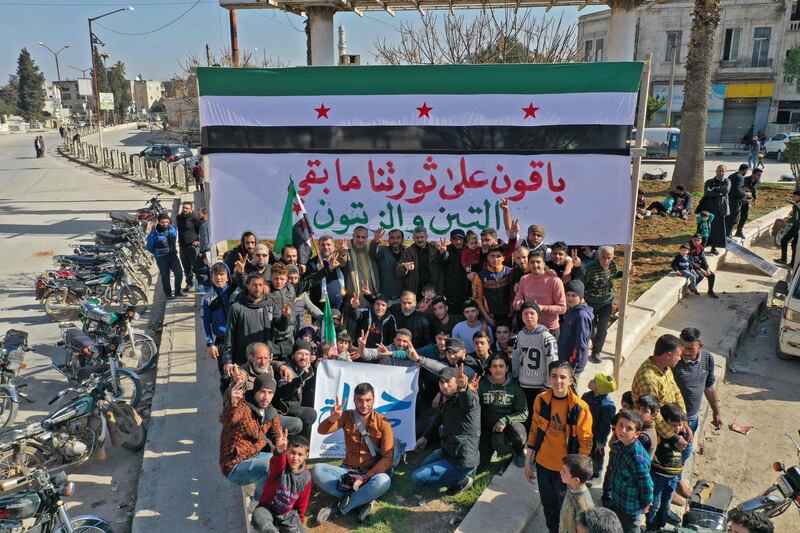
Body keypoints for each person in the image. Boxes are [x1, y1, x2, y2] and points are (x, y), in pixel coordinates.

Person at [524, 360, 593, 533]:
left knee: (567, 511)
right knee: (549, 507)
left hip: (565, 472)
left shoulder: (580, 408)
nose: (558, 381)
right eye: (554, 376)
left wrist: (576, 473)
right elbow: (534, 431)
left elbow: (585, 445)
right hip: (543, 465)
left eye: (563, 377)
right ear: (549, 378)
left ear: (571, 380)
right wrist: (527, 462)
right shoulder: (541, 400)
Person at [312, 383, 393, 523]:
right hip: (347, 471)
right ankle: (363, 500)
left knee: (384, 481)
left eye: (368, 400)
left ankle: (342, 505)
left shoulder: (383, 423)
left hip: (370, 474)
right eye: (360, 400)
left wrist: (365, 477)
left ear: (373, 399)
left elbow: (387, 458)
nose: (364, 404)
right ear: (354, 400)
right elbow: (322, 430)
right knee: (317, 470)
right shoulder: (346, 415)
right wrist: (332, 418)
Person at [412, 365, 481, 495]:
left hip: (463, 459)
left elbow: (469, 402)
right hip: (448, 451)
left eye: (448, 381)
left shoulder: (469, 396)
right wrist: (425, 438)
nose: (444, 386)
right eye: (441, 382)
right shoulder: (448, 399)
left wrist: (463, 388)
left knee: (416, 478)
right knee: (421, 467)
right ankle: (461, 474)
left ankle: (463, 479)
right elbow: (438, 419)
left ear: (457, 381)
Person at [219, 374, 283, 502]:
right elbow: (227, 419)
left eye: (270, 393)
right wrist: (233, 403)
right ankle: (257, 502)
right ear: (255, 391)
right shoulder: (243, 407)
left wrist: (281, 443)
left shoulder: (270, 411)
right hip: (234, 465)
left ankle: (275, 495)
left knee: (282, 461)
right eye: (262, 392)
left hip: (255, 455)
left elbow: (277, 433)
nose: (266, 397)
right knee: (271, 465)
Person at [631, 334, 692, 462]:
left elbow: (676, 392)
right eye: (678, 355)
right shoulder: (649, 379)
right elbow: (654, 415)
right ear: (668, 355)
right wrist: (674, 438)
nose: (680, 359)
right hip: (654, 436)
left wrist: (684, 420)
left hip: (670, 427)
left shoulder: (666, 368)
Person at [221, 272, 291, 372]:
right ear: (248, 286)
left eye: (260, 285)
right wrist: (228, 361)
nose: (257, 288)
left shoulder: (270, 304)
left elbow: (281, 327)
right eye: (254, 285)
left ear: (264, 286)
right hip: (243, 360)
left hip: (265, 360)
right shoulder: (237, 308)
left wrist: (285, 316)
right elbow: (229, 336)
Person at [673, 327, 722, 465]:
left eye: (691, 349)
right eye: (684, 348)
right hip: (675, 421)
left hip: (693, 418)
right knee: (674, 457)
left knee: (685, 454)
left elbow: (709, 387)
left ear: (700, 346)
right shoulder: (674, 360)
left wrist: (716, 412)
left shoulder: (707, 358)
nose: (686, 352)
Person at [251, 433, 311, 533]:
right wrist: (279, 451)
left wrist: (299, 522)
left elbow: (302, 502)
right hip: (267, 508)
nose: (295, 458)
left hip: (287, 515)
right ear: (287, 451)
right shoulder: (280, 466)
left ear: (306, 455)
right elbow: (277, 462)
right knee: (259, 519)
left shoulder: (306, 477)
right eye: (292, 452)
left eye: (300, 454)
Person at [476, 352, 528, 468]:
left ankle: (519, 451)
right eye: (494, 366)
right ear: (489, 368)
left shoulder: (514, 387)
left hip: (507, 426)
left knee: (518, 433)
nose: (497, 369)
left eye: (501, 366)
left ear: (507, 368)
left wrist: (505, 420)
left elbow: (524, 413)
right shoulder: (482, 385)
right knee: (482, 461)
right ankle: (495, 447)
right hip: (487, 426)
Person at [604, 410, 653, 533]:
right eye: (620, 425)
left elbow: (647, 487)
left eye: (629, 428)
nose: (623, 430)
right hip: (617, 500)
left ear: (637, 434)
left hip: (630, 508)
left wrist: (642, 507)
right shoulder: (617, 446)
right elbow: (613, 471)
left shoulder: (638, 459)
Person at [512, 302, 558, 430]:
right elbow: (515, 358)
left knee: (540, 416)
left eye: (532, 313)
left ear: (538, 315)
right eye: (525, 313)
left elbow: (552, 361)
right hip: (523, 383)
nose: (529, 316)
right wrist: (516, 377)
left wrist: (548, 383)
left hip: (540, 385)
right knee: (525, 414)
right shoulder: (520, 335)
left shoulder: (546, 336)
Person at [646, 403, 687, 532]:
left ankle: (661, 526)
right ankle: (651, 528)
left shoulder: (680, 437)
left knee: (666, 504)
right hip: (658, 477)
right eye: (673, 425)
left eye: (679, 424)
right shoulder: (661, 437)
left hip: (673, 478)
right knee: (655, 505)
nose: (677, 428)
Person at [583, 246, 624, 363]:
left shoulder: (612, 265)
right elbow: (582, 283)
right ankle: (593, 340)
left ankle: (596, 351)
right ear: (599, 256)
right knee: (591, 329)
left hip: (606, 302)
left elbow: (616, 274)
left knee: (602, 328)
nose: (606, 261)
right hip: (590, 302)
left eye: (609, 258)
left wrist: (627, 272)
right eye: (603, 257)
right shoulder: (589, 268)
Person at [513, 252, 566, 338]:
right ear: (528, 264)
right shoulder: (524, 279)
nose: (535, 265)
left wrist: (541, 308)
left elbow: (562, 309)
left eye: (538, 262)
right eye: (532, 262)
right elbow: (517, 299)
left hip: (550, 330)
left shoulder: (555, 281)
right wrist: (518, 303)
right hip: (530, 329)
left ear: (544, 263)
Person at [273, 341, 318, 441]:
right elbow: (283, 394)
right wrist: (300, 380)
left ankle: (299, 443)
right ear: (293, 355)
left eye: (307, 354)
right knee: (304, 418)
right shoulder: (287, 369)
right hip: (283, 409)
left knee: (311, 413)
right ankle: (288, 441)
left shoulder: (304, 369)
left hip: (294, 407)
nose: (303, 357)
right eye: (300, 354)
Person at [202, 263, 235, 394]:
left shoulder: (236, 293)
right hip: (221, 341)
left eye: (222, 274)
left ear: (228, 277)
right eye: (215, 274)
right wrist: (210, 343)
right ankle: (226, 406)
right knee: (226, 377)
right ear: (211, 277)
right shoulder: (207, 299)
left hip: (238, 339)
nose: (218, 278)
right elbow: (205, 323)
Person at [581, 373, 617, 480]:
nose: (590, 380)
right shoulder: (587, 396)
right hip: (584, 432)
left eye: (594, 381)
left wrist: (601, 441)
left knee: (597, 454)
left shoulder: (607, 406)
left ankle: (596, 473)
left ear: (598, 389)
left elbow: (606, 426)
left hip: (596, 436)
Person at [397, 226, 445, 298]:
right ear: (413, 238)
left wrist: (443, 253)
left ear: (426, 237)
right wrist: (404, 266)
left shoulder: (435, 249)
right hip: (415, 290)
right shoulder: (408, 252)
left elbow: (443, 262)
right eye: (417, 238)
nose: (420, 240)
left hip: (433, 289)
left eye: (422, 237)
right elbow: (398, 271)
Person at [558, 280, 593, 379]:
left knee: (571, 392)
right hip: (565, 359)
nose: (570, 298)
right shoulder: (572, 310)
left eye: (574, 295)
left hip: (572, 364)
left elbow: (581, 344)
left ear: (581, 297)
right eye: (568, 295)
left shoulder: (581, 316)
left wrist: (573, 365)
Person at [145, 213, 184, 299]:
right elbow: (149, 247)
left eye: (167, 221)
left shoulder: (172, 229)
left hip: (173, 256)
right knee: (165, 276)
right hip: (161, 258)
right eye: (163, 222)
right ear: (158, 222)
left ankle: (178, 291)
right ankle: (168, 294)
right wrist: (157, 253)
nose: (165, 224)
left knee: (179, 273)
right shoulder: (154, 233)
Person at [476, 245, 515, 327]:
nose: (495, 259)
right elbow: (478, 299)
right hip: (491, 317)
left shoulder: (511, 272)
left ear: (503, 258)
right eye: (492, 256)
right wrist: (487, 318)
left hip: (510, 316)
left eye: (498, 256)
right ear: (488, 257)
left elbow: (516, 294)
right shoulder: (479, 276)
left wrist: (515, 317)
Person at [340, 226, 380, 307]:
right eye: (358, 236)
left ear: (367, 238)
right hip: (353, 295)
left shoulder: (369, 250)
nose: (360, 240)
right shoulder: (346, 249)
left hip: (370, 294)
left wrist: (376, 241)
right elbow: (341, 264)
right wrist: (342, 254)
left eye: (363, 237)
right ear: (353, 236)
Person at [558, 454, 595, 533]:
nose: (560, 472)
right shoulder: (571, 485)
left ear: (576, 480)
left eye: (564, 471)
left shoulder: (585, 507)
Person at [369, 228, 404, 302]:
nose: (395, 240)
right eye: (392, 238)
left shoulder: (407, 252)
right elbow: (373, 252)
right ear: (389, 239)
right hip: (386, 297)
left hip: (403, 297)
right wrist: (376, 240)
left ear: (402, 239)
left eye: (398, 238)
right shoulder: (383, 250)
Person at [702, 165, 731, 254]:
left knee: (718, 229)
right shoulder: (709, 181)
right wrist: (719, 193)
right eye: (719, 171)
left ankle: (714, 247)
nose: (721, 173)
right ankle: (702, 246)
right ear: (716, 171)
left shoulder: (727, 181)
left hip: (720, 209)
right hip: (709, 207)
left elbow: (726, 190)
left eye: (723, 171)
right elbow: (707, 193)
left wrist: (714, 189)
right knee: (706, 227)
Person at [442, 229, 470, 313]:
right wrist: (442, 253)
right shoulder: (448, 250)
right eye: (455, 239)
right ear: (451, 240)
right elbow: (442, 260)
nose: (458, 242)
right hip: (451, 293)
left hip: (467, 291)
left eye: (460, 239)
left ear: (464, 239)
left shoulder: (469, 249)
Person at [176, 202, 200, 293]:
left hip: (192, 246)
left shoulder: (195, 218)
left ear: (191, 209)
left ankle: (201, 285)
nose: (184, 210)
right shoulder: (179, 217)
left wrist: (199, 240)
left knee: (196, 267)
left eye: (187, 208)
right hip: (182, 246)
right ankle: (189, 284)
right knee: (186, 268)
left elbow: (202, 229)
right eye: (183, 208)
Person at [688, 234, 719, 298]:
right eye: (694, 240)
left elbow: (703, 258)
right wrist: (701, 270)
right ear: (692, 240)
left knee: (711, 275)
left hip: (698, 264)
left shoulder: (700, 247)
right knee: (701, 276)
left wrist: (707, 268)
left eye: (698, 240)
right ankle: (691, 286)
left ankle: (710, 291)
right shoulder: (688, 247)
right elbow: (690, 262)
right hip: (691, 266)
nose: (696, 242)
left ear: (701, 241)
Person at [737, 168, 762, 238]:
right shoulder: (744, 180)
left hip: (746, 201)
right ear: (753, 174)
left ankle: (739, 231)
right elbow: (738, 189)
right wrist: (745, 193)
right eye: (758, 175)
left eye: (760, 175)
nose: (759, 176)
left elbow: (754, 190)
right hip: (738, 200)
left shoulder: (757, 182)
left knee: (745, 216)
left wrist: (755, 197)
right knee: (735, 218)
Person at [777, 189, 800, 267]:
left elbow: (795, 219)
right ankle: (792, 263)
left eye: (794, 196)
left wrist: (788, 219)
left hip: (796, 227)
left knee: (784, 240)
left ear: (798, 197)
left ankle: (784, 260)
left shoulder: (796, 206)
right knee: (794, 244)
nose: (792, 197)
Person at [727, 164, 748, 237]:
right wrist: (746, 194)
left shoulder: (731, 176)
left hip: (729, 200)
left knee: (729, 217)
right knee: (733, 218)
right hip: (735, 201)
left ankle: (727, 233)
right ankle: (728, 234)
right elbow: (738, 190)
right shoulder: (740, 177)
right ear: (745, 170)